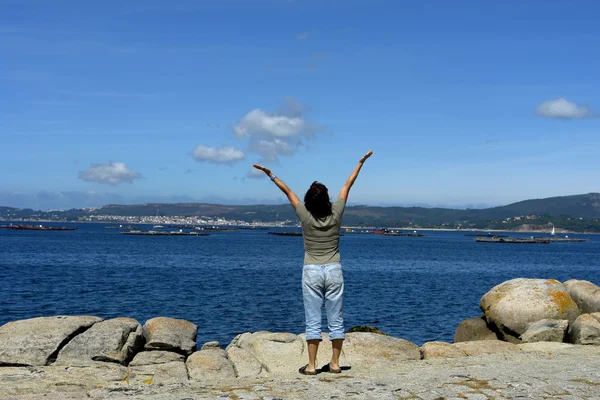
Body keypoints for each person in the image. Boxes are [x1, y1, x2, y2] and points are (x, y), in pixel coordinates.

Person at [253, 149, 373, 375]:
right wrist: (360, 162)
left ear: (309, 200)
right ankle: (335, 364)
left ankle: (311, 366)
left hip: (311, 271)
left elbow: (289, 192)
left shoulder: (305, 216)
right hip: (334, 269)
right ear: (326, 199)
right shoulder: (336, 214)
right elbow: (348, 185)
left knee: (313, 320)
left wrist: (271, 175)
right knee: (336, 319)